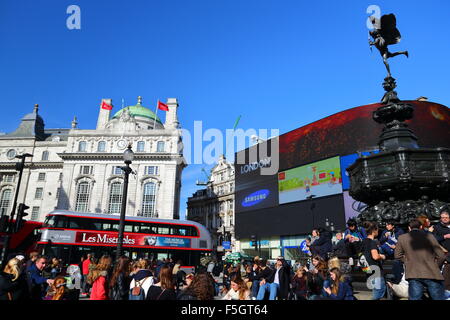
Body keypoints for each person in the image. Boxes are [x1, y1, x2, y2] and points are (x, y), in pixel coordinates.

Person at [395, 218, 447, 300]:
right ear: (421, 227)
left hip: (413, 272)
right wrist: (435, 265)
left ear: (409, 228)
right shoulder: (429, 236)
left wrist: (408, 262)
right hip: (431, 272)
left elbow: (397, 255)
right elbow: (441, 256)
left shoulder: (402, 238)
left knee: (415, 298)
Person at [361, 221, 386, 300]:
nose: (378, 231)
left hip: (368, 271)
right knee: (377, 295)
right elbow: (375, 256)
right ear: (374, 231)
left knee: (375, 293)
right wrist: (382, 256)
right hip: (376, 272)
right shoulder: (373, 242)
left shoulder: (363, 242)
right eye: (377, 230)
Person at [432, 209, 450, 295]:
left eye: (446, 217)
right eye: (443, 218)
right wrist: (444, 236)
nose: (444, 219)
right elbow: (433, 239)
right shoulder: (437, 227)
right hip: (443, 253)